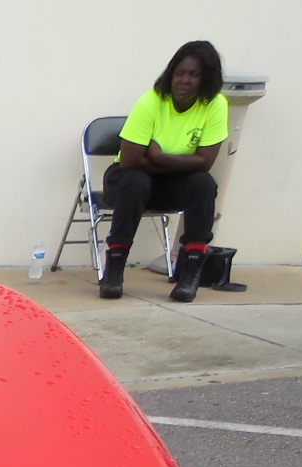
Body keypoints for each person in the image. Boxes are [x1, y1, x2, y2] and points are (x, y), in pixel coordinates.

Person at [99, 41, 228, 304]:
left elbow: (204, 163)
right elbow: (131, 161)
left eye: (194, 74)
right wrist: (181, 161)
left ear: (208, 79)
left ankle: (189, 275)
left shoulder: (215, 105)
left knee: (203, 183)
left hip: (170, 185)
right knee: (136, 180)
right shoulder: (151, 101)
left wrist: (157, 156)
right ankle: (113, 271)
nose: (184, 80)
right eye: (180, 73)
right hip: (125, 181)